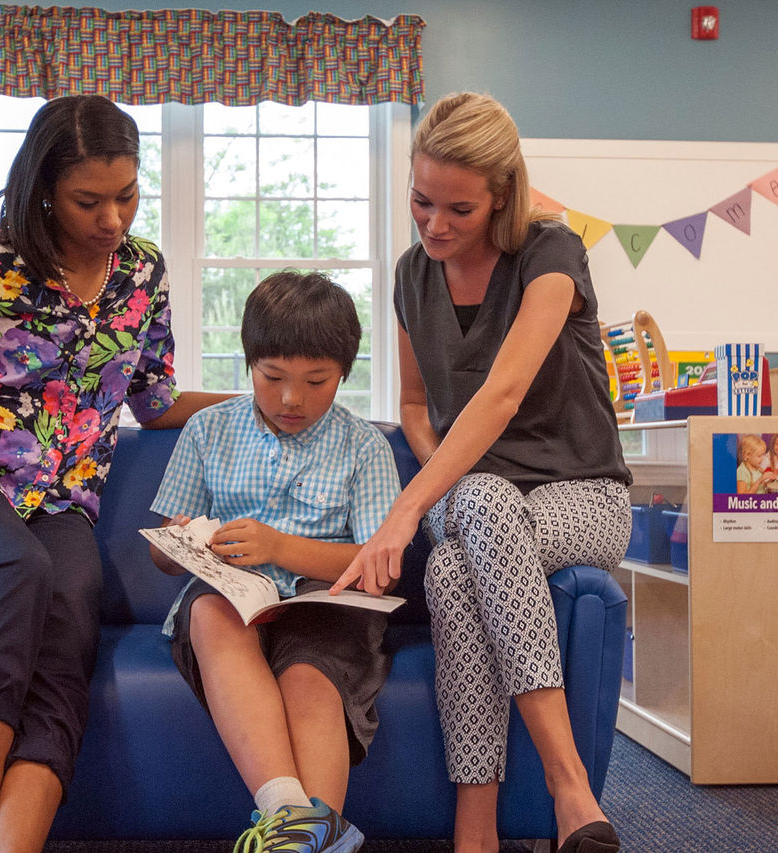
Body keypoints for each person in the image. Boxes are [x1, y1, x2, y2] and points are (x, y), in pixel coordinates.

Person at [0, 95, 226, 853]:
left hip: (62, 501)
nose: (114, 218)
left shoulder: (142, 273)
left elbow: (153, 400)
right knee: (12, 567)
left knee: (67, 624)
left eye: (127, 195)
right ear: (46, 186)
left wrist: (274, 400)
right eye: (91, 200)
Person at [329, 92, 631, 853]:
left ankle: (495, 819)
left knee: (454, 569)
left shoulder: (550, 253)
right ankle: (569, 800)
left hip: (583, 496)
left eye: (458, 210)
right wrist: (446, 479)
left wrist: (408, 511)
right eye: (421, 201)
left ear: (503, 195)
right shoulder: (410, 276)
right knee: (482, 508)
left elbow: (499, 395)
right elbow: (412, 405)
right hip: (470, 497)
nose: (435, 225)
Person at [149, 271, 401, 853]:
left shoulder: (364, 446)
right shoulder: (209, 430)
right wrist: (183, 541)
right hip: (230, 597)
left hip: (324, 599)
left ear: (344, 373)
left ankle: (306, 835)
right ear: (249, 364)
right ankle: (292, 816)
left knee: (312, 678)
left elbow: (378, 564)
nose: (292, 399)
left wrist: (281, 548)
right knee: (209, 613)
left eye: (316, 381)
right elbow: (163, 553)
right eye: (273, 378)